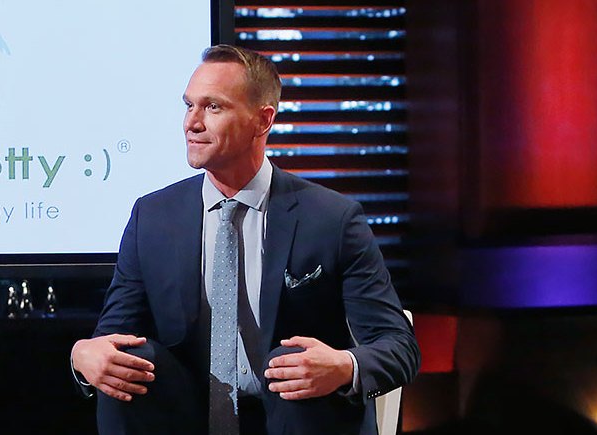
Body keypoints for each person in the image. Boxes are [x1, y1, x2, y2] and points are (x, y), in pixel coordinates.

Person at [71, 45, 420, 434]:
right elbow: (111, 338)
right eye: (188, 105)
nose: (192, 123)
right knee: (127, 364)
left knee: (292, 362)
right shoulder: (152, 217)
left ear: (263, 120)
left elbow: (398, 346)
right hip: (188, 417)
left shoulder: (332, 219)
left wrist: (342, 366)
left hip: (297, 417)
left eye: (213, 107)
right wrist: (82, 353)